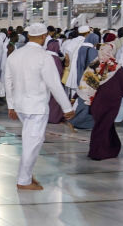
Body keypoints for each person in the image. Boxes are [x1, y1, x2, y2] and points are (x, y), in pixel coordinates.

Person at [6, 23, 75, 191]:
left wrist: (10, 105)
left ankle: (26, 175)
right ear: (44, 37)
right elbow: (55, 85)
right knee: (33, 142)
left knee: (30, 140)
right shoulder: (44, 57)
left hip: (20, 105)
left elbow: (8, 81)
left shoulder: (14, 55)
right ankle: (24, 180)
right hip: (36, 107)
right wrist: (67, 108)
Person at [77, 44, 123, 160]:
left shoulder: (93, 65)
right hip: (111, 103)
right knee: (104, 126)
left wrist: (79, 97)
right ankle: (98, 152)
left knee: (102, 125)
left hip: (97, 103)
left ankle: (109, 148)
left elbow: (85, 84)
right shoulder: (115, 66)